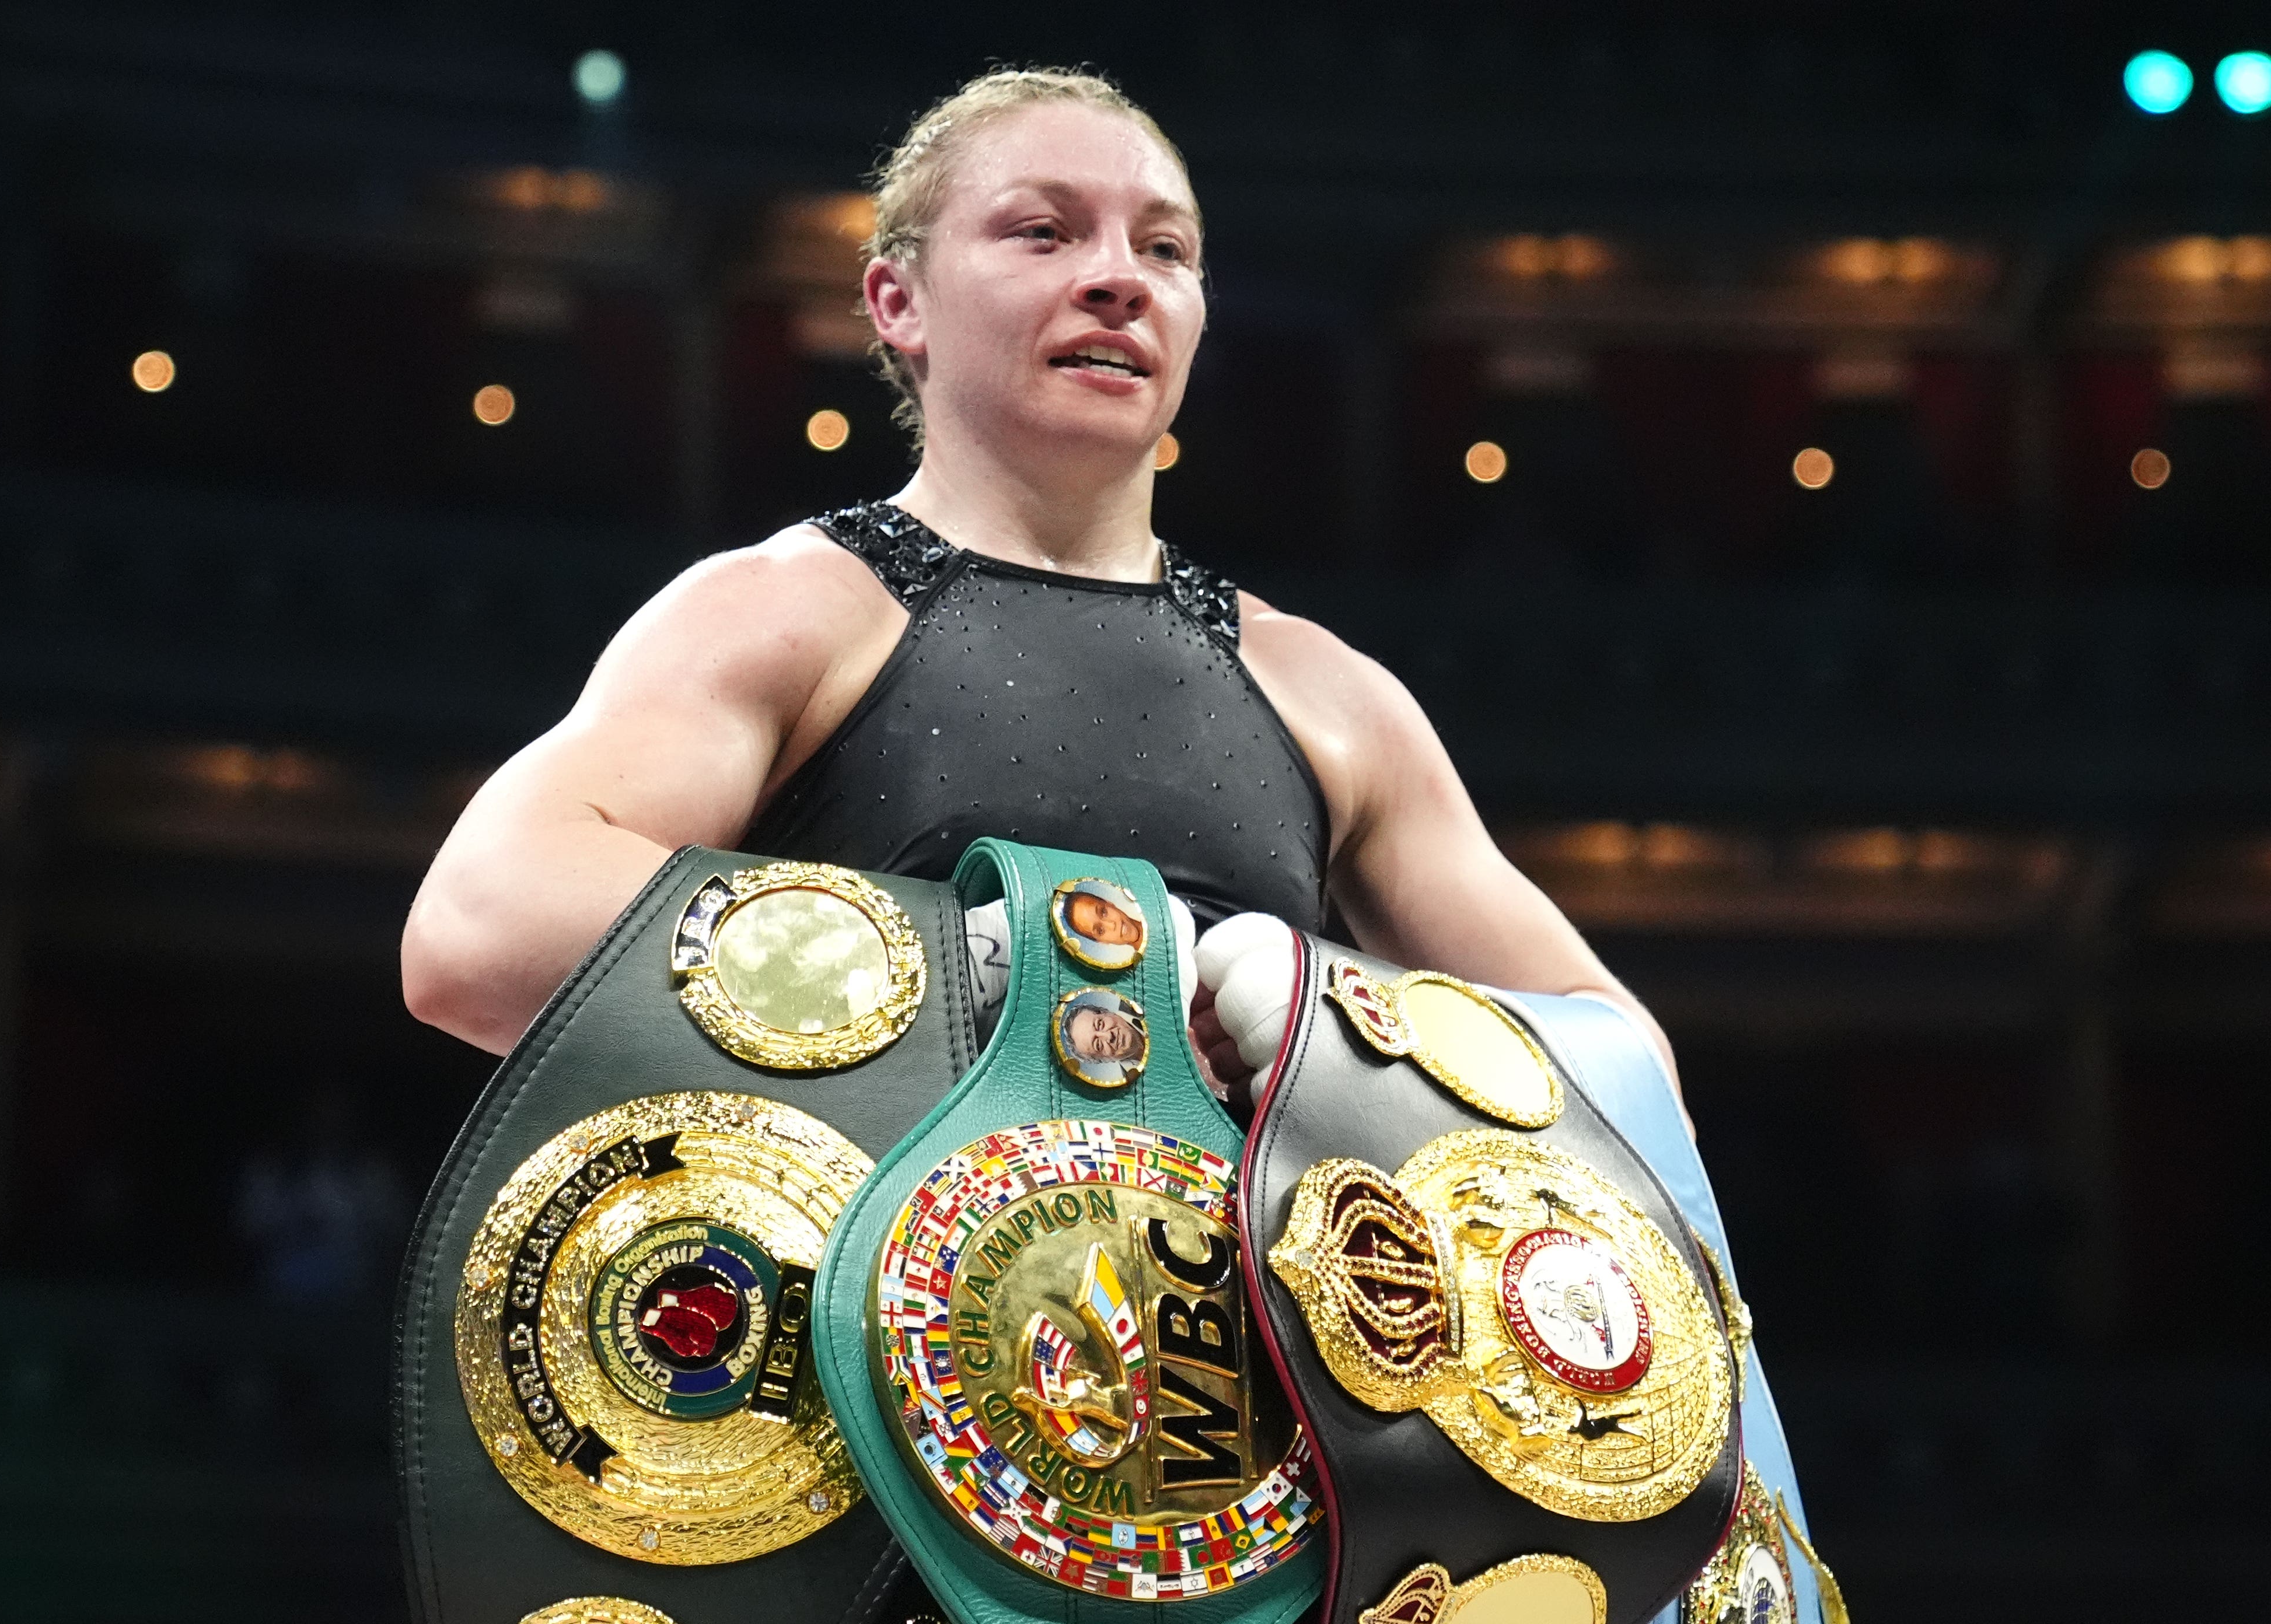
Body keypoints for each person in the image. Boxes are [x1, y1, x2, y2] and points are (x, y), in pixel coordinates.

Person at [400, 65, 1676, 1103]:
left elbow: (1625, 1067)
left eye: (1165, 248)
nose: (1119, 277)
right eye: (1043, 231)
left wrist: (1338, 1030)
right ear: (898, 301)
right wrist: (954, 973)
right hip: (855, 1334)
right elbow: (479, 925)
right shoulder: (790, 611)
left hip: (1233, 1348)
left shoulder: (1326, 691)